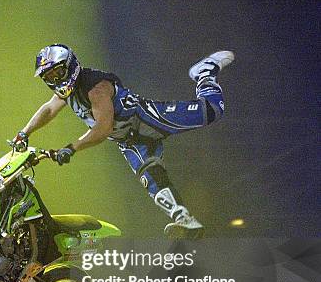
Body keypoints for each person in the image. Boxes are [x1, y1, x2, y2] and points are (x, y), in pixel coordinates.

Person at [13, 44, 234, 239]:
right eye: (49, 77)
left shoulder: (95, 87)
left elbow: (103, 128)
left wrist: (71, 148)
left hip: (148, 120)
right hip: (129, 141)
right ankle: (184, 219)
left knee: (212, 111)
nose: (55, 80)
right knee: (152, 178)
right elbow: (49, 109)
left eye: (58, 73)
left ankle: (205, 73)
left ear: (71, 67)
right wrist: (24, 133)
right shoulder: (67, 92)